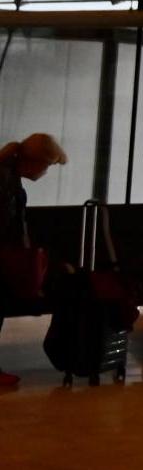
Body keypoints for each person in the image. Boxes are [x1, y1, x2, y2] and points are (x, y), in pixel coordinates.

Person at [0, 132, 69, 390]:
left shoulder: (8, 176)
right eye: (47, 166)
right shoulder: (6, 182)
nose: (46, 172)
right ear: (35, 162)